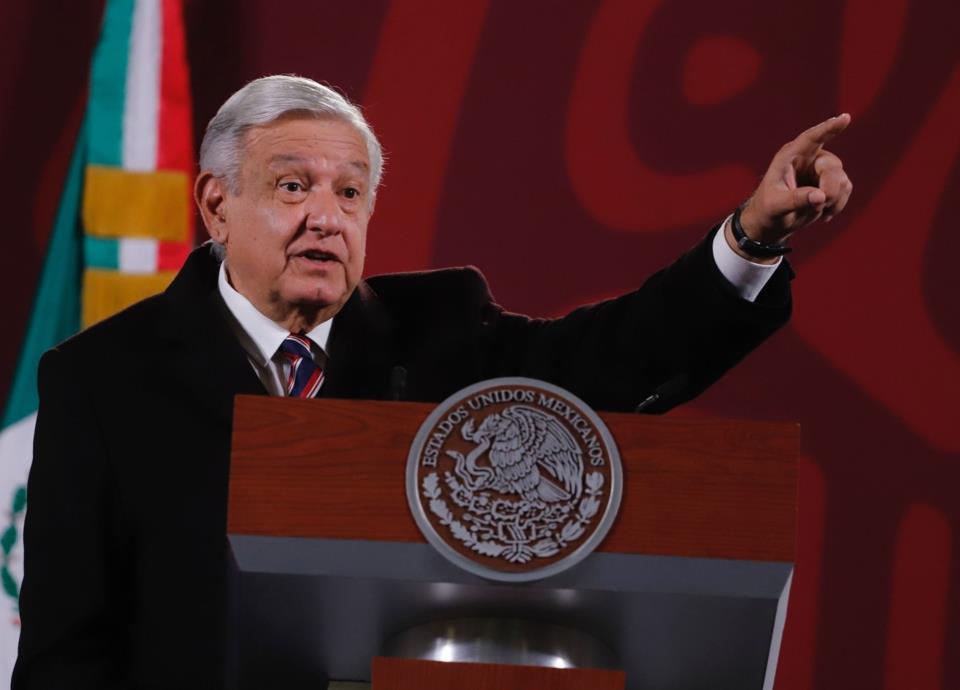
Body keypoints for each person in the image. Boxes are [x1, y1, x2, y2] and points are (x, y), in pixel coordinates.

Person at [12, 75, 851, 689]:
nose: (326, 217)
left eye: (350, 192)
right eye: (292, 186)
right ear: (216, 205)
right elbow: (66, 655)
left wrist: (751, 239)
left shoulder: (443, 334)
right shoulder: (103, 380)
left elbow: (614, 358)